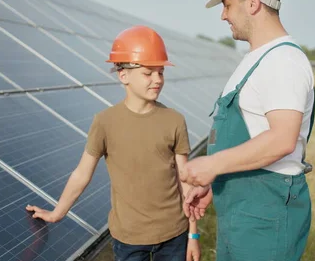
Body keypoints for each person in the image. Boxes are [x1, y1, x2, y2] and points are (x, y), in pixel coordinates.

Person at [179, 0, 315, 261]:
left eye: (227, 5)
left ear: (253, 2)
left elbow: (282, 139)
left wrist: (212, 166)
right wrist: (218, 183)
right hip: (246, 210)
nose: (223, 16)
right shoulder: (257, 60)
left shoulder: (283, 62)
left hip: (264, 212)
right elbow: (253, 135)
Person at [26, 25, 201, 261]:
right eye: (148, 73)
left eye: (161, 72)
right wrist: (57, 213)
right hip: (128, 238)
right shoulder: (105, 122)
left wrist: (193, 235)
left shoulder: (174, 120)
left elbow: (185, 181)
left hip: (175, 236)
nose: (157, 79)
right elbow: (82, 174)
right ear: (124, 75)